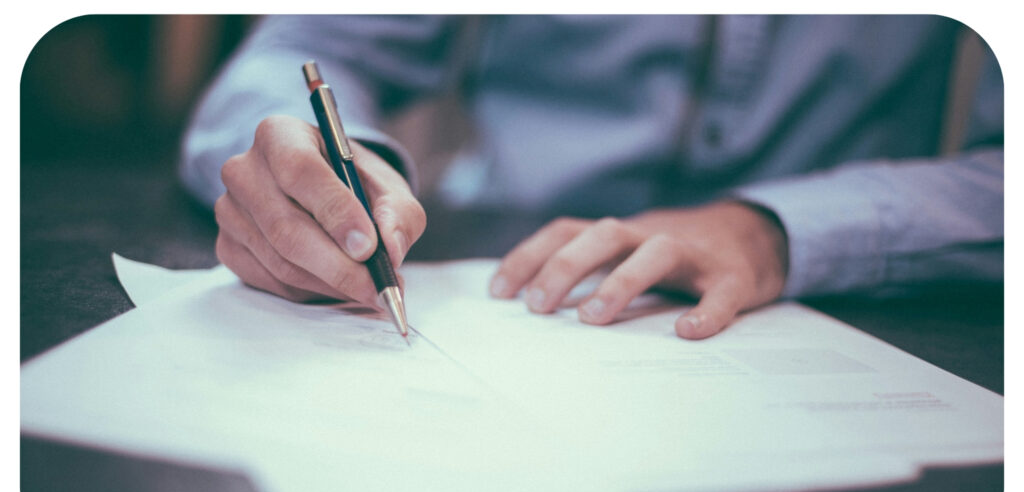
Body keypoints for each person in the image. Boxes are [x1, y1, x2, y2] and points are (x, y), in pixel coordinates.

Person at [179, 15, 1003, 340]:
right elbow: (303, 51)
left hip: (843, 305)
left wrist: (774, 227)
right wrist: (337, 168)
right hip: (498, 266)